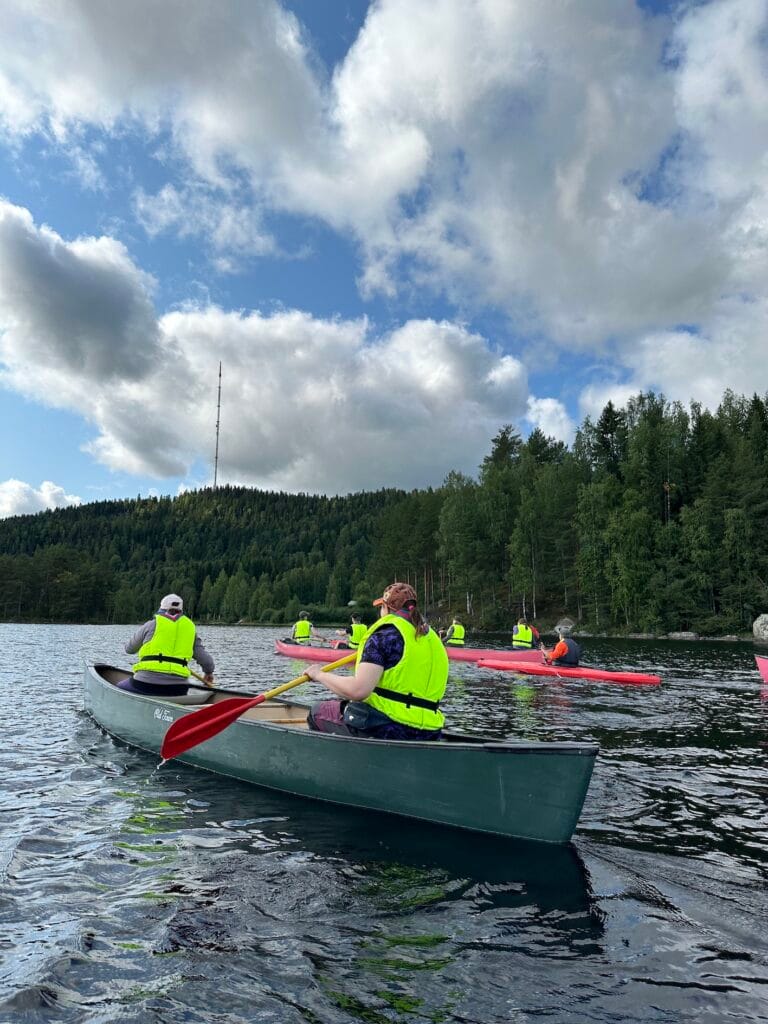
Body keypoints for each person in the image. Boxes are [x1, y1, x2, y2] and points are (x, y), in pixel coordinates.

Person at [303, 582, 448, 740]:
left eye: (381, 607)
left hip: (389, 726)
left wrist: (319, 674)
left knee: (317, 711)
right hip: (430, 730)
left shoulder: (384, 635)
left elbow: (358, 690)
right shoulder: (433, 639)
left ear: (387, 608)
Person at [120, 593, 215, 696]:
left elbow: (129, 649)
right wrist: (208, 673)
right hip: (178, 689)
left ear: (162, 609)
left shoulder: (152, 624)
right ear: (181, 611)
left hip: (146, 683)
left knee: (119, 687)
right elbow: (207, 661)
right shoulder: (190, 629)